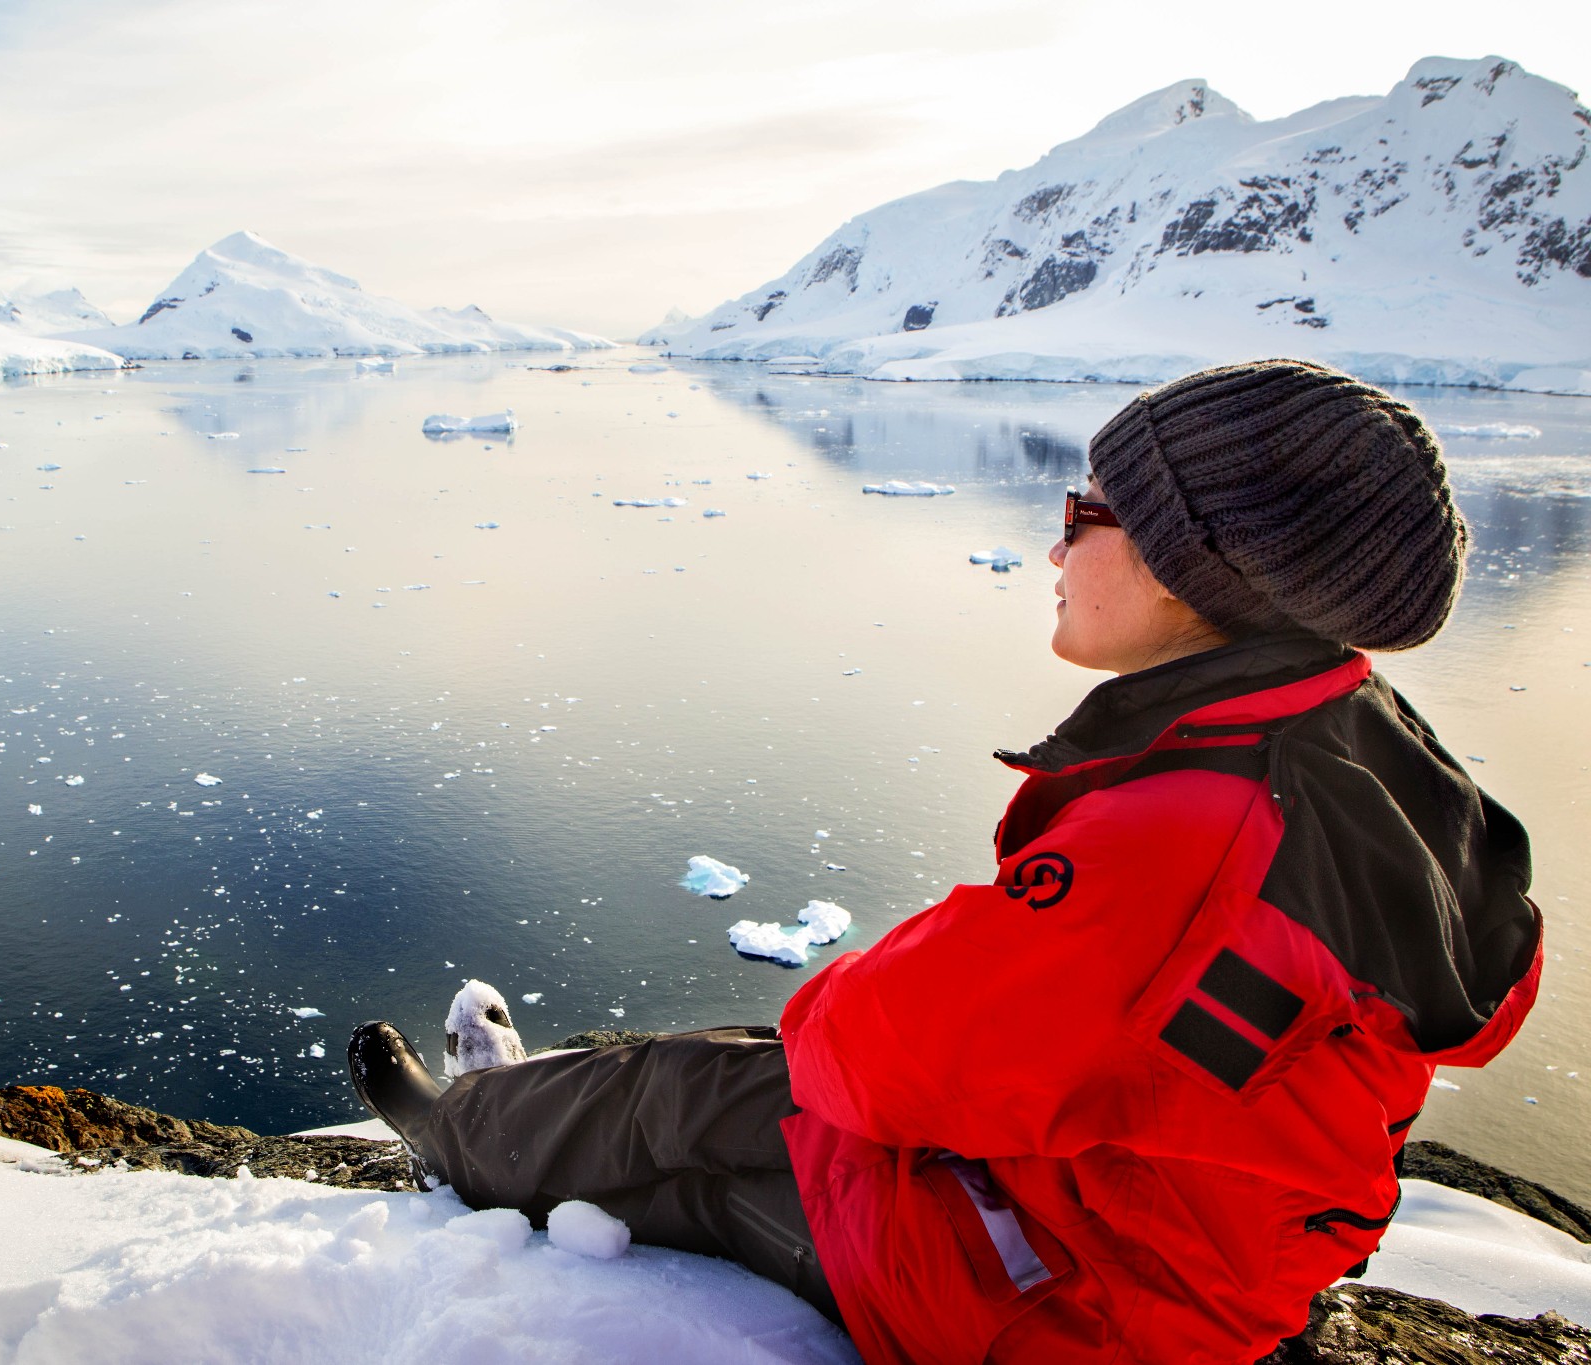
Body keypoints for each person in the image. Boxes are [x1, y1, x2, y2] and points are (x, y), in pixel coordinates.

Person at [348, 359, 1543, 1364]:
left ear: (1198, 568)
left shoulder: (1189, 834)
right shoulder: (1356, 744)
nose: (1055, 540)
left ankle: (452, 1138)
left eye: (1088, 511)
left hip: (1075, 1300)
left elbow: (870, 1056)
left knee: (696, 1100)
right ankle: (501, 1125)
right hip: (1187, 1245)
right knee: (734, 1100)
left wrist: (838, 1005)